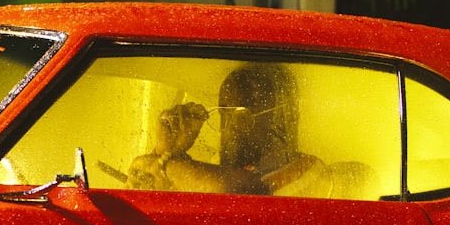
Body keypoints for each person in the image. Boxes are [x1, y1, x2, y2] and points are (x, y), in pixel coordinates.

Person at [127, 63, 326, 195]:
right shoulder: (215, 164)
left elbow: (239, 191)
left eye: (243, 114)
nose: (230, 127)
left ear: (282, 117)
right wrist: (168, 148)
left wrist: (162, 165)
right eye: (224, 112)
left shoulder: (307, 168)